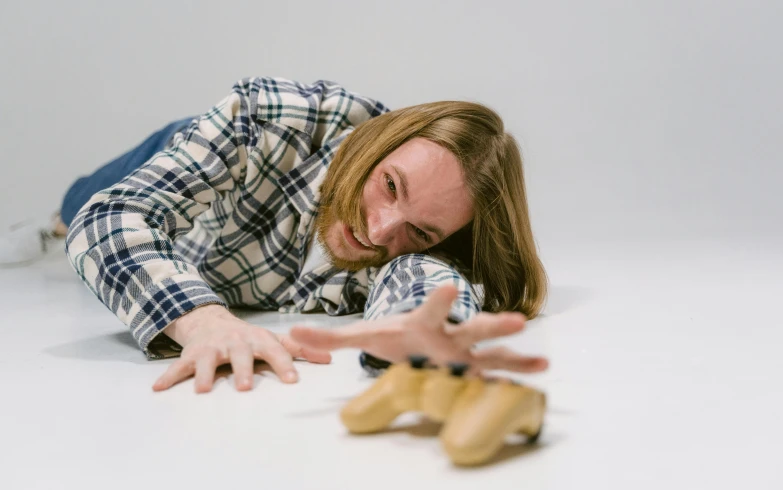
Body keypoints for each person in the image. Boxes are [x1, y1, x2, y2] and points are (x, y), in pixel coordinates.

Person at [19, 76, 551, 392]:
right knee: (77, 206)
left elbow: (428, 288)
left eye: (420, 229)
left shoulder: (425, 249)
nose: (381, 230)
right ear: (380, 143)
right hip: (199, 164)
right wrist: (204, 322)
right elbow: (109, 218)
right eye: (390, 185)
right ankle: (41, 229)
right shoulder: (269, 118)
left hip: (217, 252)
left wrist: (418, 334)